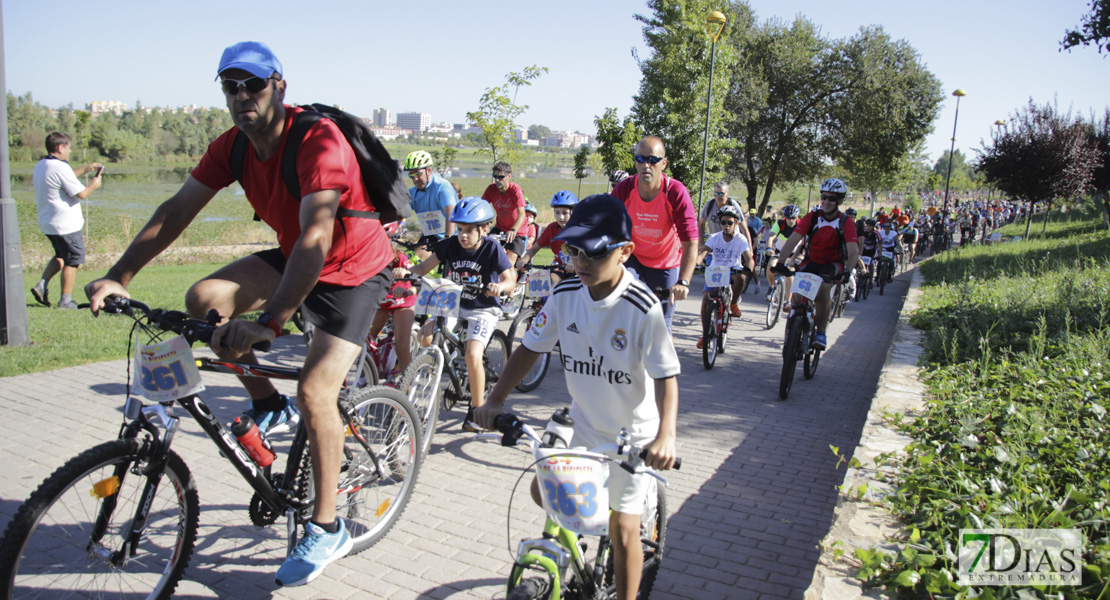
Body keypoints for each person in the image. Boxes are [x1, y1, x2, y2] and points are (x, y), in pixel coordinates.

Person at [84, 41, 397, 587]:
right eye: (230, 85)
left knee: (318, 391)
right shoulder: (231, 147)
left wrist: (271, 321)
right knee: (204, 299)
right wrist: (120, 276)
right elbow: (176, 210)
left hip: (353, 268)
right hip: (297, 254)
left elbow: (317, 234)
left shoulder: (316, 140)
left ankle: (327, 527)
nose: (241, 95)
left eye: (253, 83)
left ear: (279, 85)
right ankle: (267, 404)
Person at [473, 193, 679, 600]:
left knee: (623, 531)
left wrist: (665, 436)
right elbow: (530, 348)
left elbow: (667, 375)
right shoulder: (566, 293)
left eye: (592, 252)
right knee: (544, 492)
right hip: (585, 421)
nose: (580, 262)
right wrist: (494, 400)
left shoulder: (643, 307)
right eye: (572, 250)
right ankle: (574, 556)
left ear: (624, 252)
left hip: (631, 435)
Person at [403, 197, 515, 418]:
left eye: (469, 230)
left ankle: (478, 409)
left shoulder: (492, 248)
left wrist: (499, 286)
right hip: (453, 304)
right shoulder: (449, 245)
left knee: (473, 355)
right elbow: (424, 267)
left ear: (484, 229)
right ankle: (445, 367)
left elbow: (509, 280)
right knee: (425, 337)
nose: (463, 235)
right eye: (460, 229)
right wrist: (404, 274)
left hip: (483, 308)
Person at [610, 136, 699, 330]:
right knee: (619, 302)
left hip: (663, 261)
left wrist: (683, 281)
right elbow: (608, 228)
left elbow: (690, 242)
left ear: (663, 163)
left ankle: (663, 358)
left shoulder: (675, 192)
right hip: (632, 255)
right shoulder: (624, 189)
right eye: (640, 159)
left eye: (652, 160)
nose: (646, 165)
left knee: (660, 321)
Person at [772, 178, 859, 350]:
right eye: (824, 197)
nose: (826, 201)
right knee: (796, 296)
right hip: (811, 261)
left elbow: (853, 250)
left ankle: (821, 332)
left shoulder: (845, 222)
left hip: (832, 264)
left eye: (832, 198)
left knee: (822, 290)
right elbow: (793, 240)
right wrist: (781, 262)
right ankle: (793, 330)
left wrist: (847, 271)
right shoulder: (812, 217)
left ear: (840, 200)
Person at [30, 132, 102, 309]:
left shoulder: (43, 165)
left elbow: (65, 178)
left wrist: (85, 169)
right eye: (68, 148)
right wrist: (94, 184)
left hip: (49, 222)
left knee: (61, 255)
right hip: (66, 225)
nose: (70, 151)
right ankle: (66, 301)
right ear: (61, 147)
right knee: (73, 260)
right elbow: (82, 193)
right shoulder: (60, 168)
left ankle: (41, 285)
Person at [696, 204, 752, 349]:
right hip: (716, 271)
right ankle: (706, 333)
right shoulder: (715, 237)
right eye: (723, 222)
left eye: (730, 223)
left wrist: (749, 268)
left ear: (736, 223)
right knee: (706, 298)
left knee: (741, 278)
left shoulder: (741, 239)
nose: (726, 226)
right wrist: (696, 263)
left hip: (733, 271)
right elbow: (703, 252)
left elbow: (749, 257)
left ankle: (733, 304)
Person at [366, 222, 417, 375]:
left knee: (401, 347)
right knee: (364, 341)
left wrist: (405, 275)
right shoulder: (368, 256)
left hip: (402, 301)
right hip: (382, 301)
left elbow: (417, 277)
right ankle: (365, 379)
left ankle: (408, 390)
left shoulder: (399, 257)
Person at [404, 150, 456, 261]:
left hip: (453, 236)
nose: (415, 179)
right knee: (412, 261)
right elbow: (401, 214)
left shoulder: (442, 187)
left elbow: (450, 213)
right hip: (432, 235)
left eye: (418, 174)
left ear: (428, 170)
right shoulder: (412, 192)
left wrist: (447, 239)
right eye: (411, 176)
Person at [516, 190, 577, 283]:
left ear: (572, 212)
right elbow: (534, 248)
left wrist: (575, 264)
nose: (561, 217)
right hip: (558, 268)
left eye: (565, 213)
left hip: (578, 269)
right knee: (552, 281)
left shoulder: (579, 229)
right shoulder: (551, 229)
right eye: (557, 212)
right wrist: (524, 260)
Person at [481, 160, 526, 265]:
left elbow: (522, 214)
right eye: (495, 176)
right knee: (484, 251)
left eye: (501, 177)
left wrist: (513, 230)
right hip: (500, 228)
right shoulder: (491, 189)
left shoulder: (515, 190)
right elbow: (482, 207)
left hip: (517, 231)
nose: (497, 180)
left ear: (509, 176)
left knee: (508, 261)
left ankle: (508, 280)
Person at [766, 204, 803, 308]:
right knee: (771, 265)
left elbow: (804, 242)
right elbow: (771, 236)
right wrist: (769, 248)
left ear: (797, 218)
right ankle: (771, 286)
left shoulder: (801, 225)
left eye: (793, 218)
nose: (790, 220)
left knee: (790, 274)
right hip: (779, 251)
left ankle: (788, 300)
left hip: (793, 253)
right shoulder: (780, 223)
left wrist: (801, 255)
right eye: (788, 218)